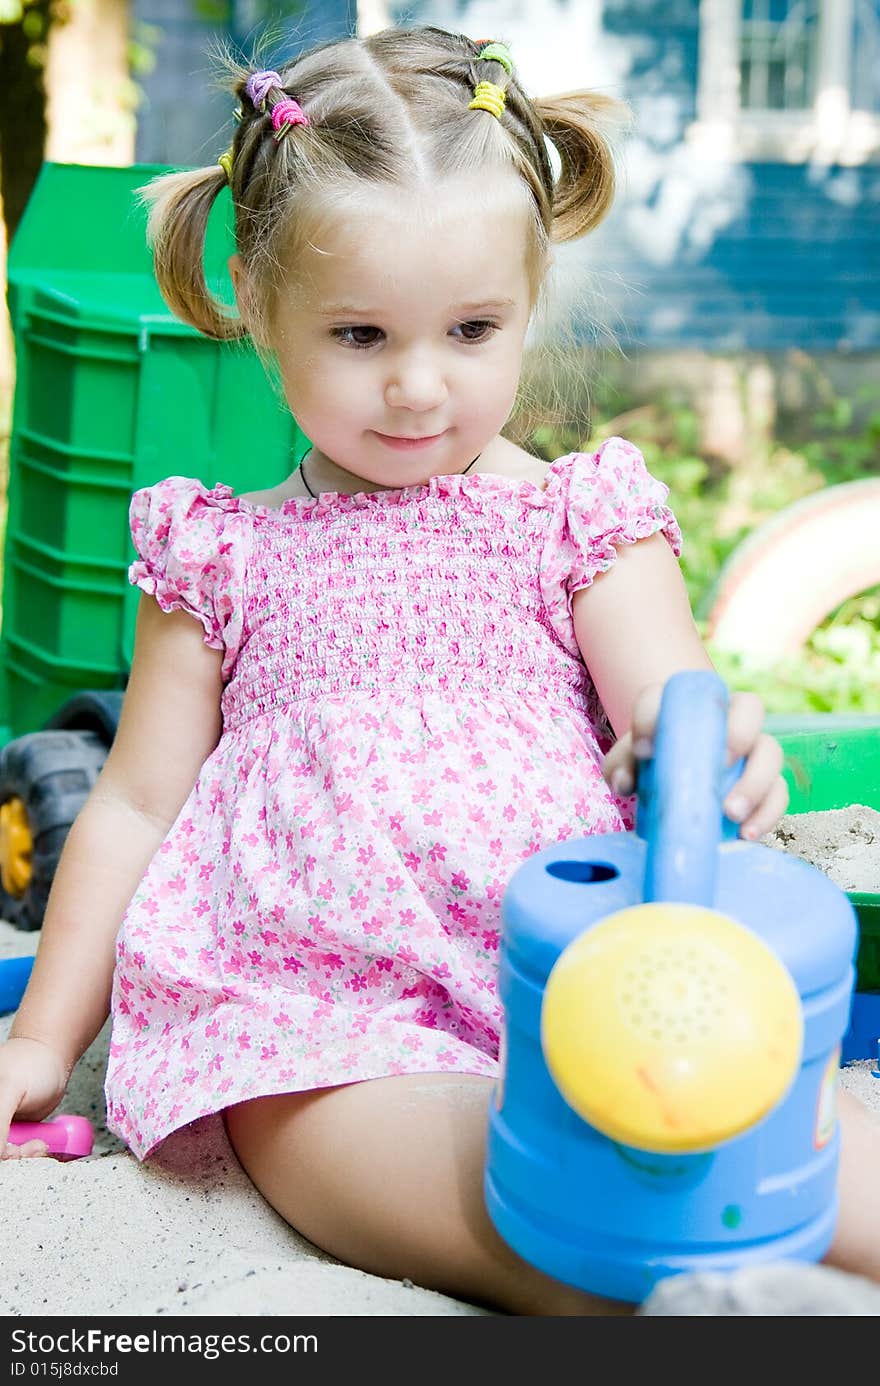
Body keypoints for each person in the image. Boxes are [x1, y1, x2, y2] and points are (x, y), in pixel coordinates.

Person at [1, 25, 877, 1317]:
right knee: (520, 1204)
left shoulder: (577, 519)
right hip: (313, 1019)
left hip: (582, 978)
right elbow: (132, 805)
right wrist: (40, 1037)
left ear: (529, 300)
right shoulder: (221, 556)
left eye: (473, 329)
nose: (418, 386)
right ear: (257, 300)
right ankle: (704, 1297)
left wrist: (712, 756)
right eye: (360, 333)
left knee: (794, 1133)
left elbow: (674, 710)